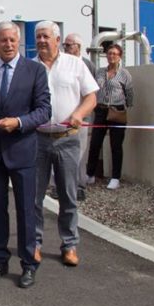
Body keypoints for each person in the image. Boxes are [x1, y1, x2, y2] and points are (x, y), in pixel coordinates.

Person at [0, 21, 51, 288]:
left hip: (22, 151)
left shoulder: (35, 70)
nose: (8, 45)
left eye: (12, 40)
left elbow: (44, 110)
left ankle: (29, 263)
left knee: (26, 210)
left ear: (19, 42)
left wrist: (19, 122)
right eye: (3, 40)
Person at [32, 22, 97, 266]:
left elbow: (91, 97)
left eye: (45, 36)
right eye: (38, 36)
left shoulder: (75, 64)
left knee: (68, 196)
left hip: (67, 140)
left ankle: (69, 245)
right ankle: (35, 243)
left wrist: (79, 114)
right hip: (37, 140)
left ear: (57, 40)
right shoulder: (29, 67)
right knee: (34, 197)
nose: (41, 41)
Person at [86, 42, 134, 190]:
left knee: (116, 145)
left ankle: (115, 177)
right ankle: (90, 174)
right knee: (95, 143)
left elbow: (130, 94)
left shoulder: (124, 74)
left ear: (120, 57)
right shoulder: (100, 72)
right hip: (100, 110)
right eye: (109, 53)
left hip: (116, 111)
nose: (111, 56)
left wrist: (125, 106)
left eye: (115, 54)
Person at [63, 33, 97, 199]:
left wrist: (84, 113)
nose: (66, 48)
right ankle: (59, 185)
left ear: (78, 46)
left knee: (80, 153)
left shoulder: (87, 65)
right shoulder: (62, 63)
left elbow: (93, 92)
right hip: (63, 119)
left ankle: (80, 185)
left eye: (69, 45)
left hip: (82, 118)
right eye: (65, 45)